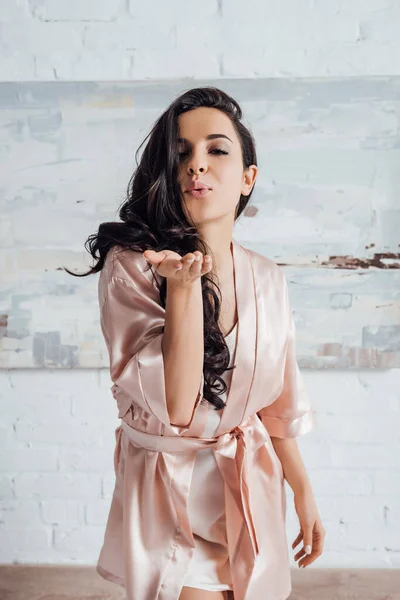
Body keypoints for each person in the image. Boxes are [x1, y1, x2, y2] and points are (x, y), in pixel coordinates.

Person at [65, 86, 324, 600]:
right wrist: (183, 290)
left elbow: (278, 401)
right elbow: (178, 404)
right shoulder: (133, 268)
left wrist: (303, 490)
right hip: (169, 486)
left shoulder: (268, 276)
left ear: (249, 177)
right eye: (180, 154)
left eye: (216, 150)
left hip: (248, 481)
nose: (196, 165)